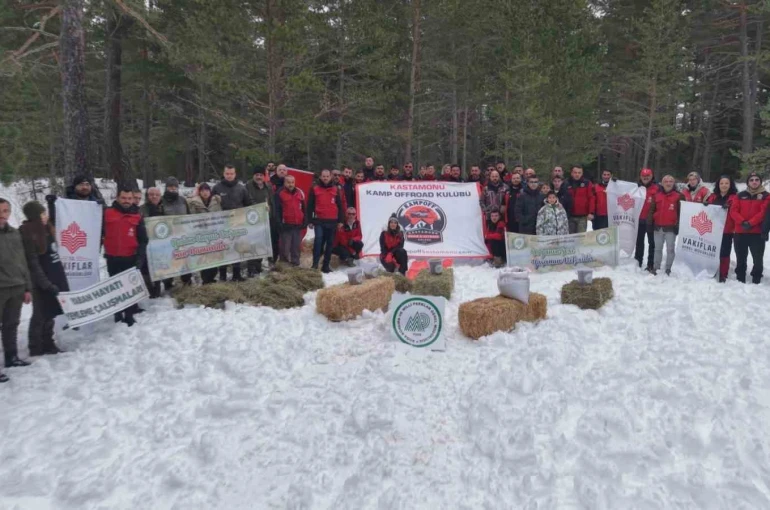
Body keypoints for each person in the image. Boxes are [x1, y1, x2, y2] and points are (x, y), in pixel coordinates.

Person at [19, 201, 69, 356]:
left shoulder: (46, 230)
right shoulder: (28, 233)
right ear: (35, 215)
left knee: (51, 313)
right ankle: (35, 346)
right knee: (40, 315)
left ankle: (48, 342)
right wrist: (46, 284)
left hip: (54, 277)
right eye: (42, 213)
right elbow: (33, 264)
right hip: (40, 282)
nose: (45, 216)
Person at [103, 184, 147, 326]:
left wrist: (140, 259)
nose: (127, 200)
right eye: (124, 198)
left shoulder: (137, 215)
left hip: (130, 257)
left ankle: (129, 315)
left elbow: (143, 239)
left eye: (129, 198)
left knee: (129, 289)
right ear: (117, 198)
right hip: (112, 257)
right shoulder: (107, 213)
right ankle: (117, 313)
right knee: (115, 287)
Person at [0, 198, 32, 375]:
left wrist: (27, 287)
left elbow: (22, 261)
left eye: (5, 211)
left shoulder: (14, 234)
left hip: (17, 286)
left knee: (11, 324)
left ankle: (12, 357)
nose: (2, 215)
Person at [213, 164, 252, 282]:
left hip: (237, 223)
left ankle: (236, 274)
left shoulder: (241, 188)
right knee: (223, 248)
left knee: (237, 247)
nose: (229, 176)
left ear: (235, 174)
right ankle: (223, 275)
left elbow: (248, 204)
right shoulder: (217, 188)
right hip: (221, 225)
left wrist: (261, 208)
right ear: (224, 174)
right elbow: (210, 205)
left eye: (231, 174)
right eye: (227, 174)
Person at [732, 172, 769, 284]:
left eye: (756, 179)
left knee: (758, 259)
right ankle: (740, 277)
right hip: (740, 231)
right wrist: (742, 221)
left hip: (756, 233)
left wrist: (751, 223)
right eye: (751, 180)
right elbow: (733, 211)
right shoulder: (740, 195)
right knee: (741, 257)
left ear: (760, 182)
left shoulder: (766, 196)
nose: (754, 182)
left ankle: (756, 277)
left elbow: (764, 212)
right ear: (748, 182)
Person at [307, 169, 344, 273]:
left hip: (332, 221)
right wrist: (309, 220)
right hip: (319, 220)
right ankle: (315, 264)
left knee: (330, 243)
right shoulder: (315, 189)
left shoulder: (336, 189)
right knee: (318, 240)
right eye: (323, 176)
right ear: (320, 177)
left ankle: (326, 266)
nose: (325, 178)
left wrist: (341, 220)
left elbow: (340, 206)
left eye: (327, 176)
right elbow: (310, 205)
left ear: (330, 177)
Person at [647, 175, 683, 276]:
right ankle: (656, 266)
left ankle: (669, 268)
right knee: (657, 248)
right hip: (657, 227)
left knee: (670, 249)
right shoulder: (656, 195)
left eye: (670, 181)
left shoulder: (678, 196)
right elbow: (651, 210)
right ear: (662, 183)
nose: (668, 183)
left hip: (671, 228)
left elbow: (682, 212)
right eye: (666, 181)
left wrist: (678, 225)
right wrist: (649, 223)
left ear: (673, 183)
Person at [160, 177, 191, 290]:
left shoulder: (182, 200)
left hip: (182, 236)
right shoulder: (161, 201)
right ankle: (168, 283)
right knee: (169, 260)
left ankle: (187, 281)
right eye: (170, 187)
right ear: (166, 187)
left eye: (175, 187)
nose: (173, 189)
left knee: (185, 260)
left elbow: (189, 215)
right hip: (167, 237)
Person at [188, 183, 222, 284]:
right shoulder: (194, 202)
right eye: (202, 190)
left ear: (210, 191)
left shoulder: (216, 201)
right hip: (201, 234)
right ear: (199, 192)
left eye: (207, 190)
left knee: (215, 256)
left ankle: (212, 277)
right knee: (204, 257)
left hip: (214, 233)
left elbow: (222, 214)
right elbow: (190, 217)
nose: (205, 192)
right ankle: (205, 280)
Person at [245, 168, 274, 276]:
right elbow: (247, 200)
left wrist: (271, 211)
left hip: (266, 219)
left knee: (262, 244)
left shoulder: (268, 187)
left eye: (261, 175)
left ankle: (258, 266)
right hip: (252, 220)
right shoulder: (248, 186)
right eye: (256, 174)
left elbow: (271, 201)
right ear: (253, 176)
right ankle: (251, 269)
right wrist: (259, 207)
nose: (259, 177)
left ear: (264, 176)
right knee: (252, 245)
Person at [707, 176, 737, 282]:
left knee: (724, 252)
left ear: (730, 185)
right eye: (721, 183)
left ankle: (723, 273)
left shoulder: (734, 198)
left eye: (726, 183)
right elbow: (707, 211)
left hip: (727, 230)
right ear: (718, 185)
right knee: (712, 251)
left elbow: (736, 213)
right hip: (712, 229)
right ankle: (712, 270)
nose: (724, 185)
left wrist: (729, 208)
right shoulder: (712, 197)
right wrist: (705, 205)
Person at [274, 175, 306, 266]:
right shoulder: (280, 193)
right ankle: (283, 266)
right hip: (286, 225)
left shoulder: (300, 193)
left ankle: (295, 264)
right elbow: (277, 209)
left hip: (297, 224)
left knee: (296, 247)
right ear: (285, 183)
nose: (290, 184)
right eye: (288, 182)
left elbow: (304, 208)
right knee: (285, 247)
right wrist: (279, 222)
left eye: (292, 182)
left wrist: (305, 220)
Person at [138, 187, 164, 297]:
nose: (154, 196)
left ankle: (158, 288)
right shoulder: (141, 209)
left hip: (162, 243)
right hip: (146, 243)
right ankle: (149, 289)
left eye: (157, 194)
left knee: (160, 266)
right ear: (147, 196)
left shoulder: (164, 208)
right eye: (151, 194)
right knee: (146, 268)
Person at [636, 168, 659, 270]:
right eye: (643, 176)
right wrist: (615, 183)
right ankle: (638, 261)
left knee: (652, 243)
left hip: (651, 221)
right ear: (640, 177)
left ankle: (650, 263)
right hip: (638, 219)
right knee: (639, 242)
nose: (645, 178)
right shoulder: (636, 187)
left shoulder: (658, 188)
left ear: (651, 176)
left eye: (648, 176)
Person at [566, 165, 595, 233]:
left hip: (582, 216)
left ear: (582, 173)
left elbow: (591, 198)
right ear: (571, 173)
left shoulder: (587, 183)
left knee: (581, 238)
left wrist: (591, 212)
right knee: (570, 238)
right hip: (569, 216)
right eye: (575, 172)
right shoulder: (566, 183)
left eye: (579, 173)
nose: (577, 174)